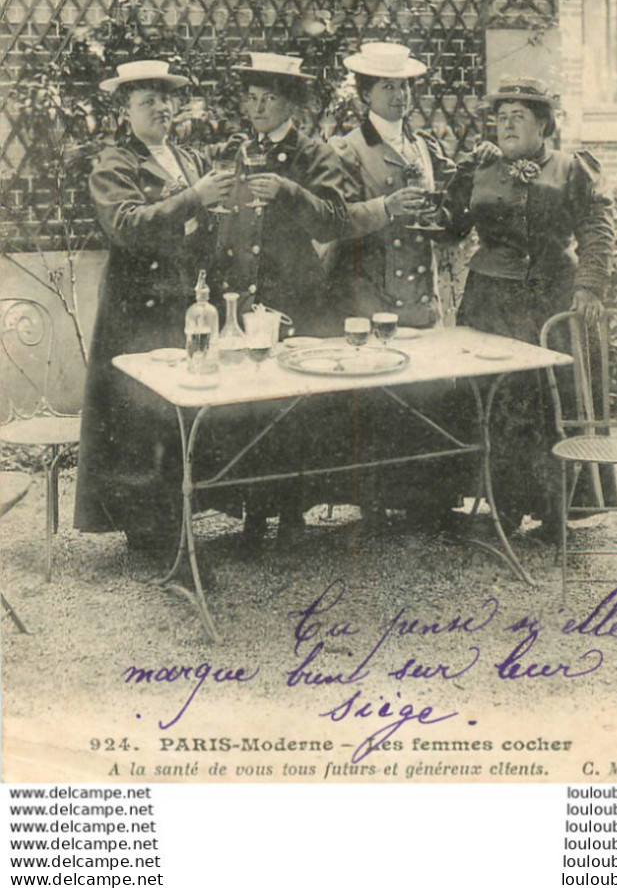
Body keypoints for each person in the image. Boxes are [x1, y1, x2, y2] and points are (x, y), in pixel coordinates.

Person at [73, 60, 233, 553]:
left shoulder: (188, 158)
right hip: (137, 310)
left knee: (181, 412)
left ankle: (179, 517)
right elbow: (126, 225)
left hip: (185, 303)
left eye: (166, 100)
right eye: (147, 102)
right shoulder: (114, 163)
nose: (161, 109)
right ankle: (149, 532)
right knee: (139, 419)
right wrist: (194, 200)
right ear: (125, 111)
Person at [446, 75, 616, 536]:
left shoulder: (571, 168)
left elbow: (597, 227)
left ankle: (557, 512)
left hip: (552, 300)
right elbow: (451, 227)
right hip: (491, 301)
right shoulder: (478, 169)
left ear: (543, 124)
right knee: (498, 401)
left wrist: (589, 286)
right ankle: (502, 509)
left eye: (518, 116)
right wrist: (458, 182)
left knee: (552, 402)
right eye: (500, 118)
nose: (506, 125)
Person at [215, 52, 348, 336]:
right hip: (238, 308)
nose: (258, 108)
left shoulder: (314, 154)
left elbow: (333, 223)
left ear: (291, 103)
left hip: (293, 307)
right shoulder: (238, 153)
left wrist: (287, 191)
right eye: (252, 98)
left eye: (269, 98)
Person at [327, 41, 456, 327]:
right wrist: (387, 207)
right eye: (387, 87)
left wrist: (436, 215)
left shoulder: (423, 146)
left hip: (421, 301)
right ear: (365, 95)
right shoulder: (347, 149)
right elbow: (335, 220)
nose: (400, 95)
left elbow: (447, 217)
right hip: (371, 301)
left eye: (404, 87)